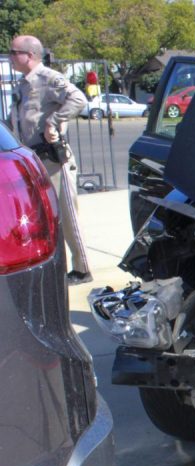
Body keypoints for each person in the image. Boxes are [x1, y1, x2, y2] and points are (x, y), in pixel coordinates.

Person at [7, 35, 91, 285]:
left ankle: (82, 269)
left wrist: (54, 122)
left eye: (14, 52)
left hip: (53, 158)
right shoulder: (23, 84)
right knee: (43, 219)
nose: (10, 56)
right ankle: (54, 266)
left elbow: (78, 99)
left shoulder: (48, 78)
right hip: (33, 160)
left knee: (66, 214)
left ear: (29, 55)